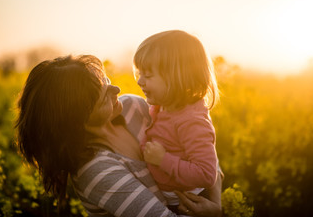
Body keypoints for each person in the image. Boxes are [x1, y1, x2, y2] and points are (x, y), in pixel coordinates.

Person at [16, 55, 222, 216]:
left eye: (106, 80)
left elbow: (202, 152)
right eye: (104, 95)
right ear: (78, 118)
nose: (117, 89)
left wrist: (216, 204)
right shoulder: (96, 171)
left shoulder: (134, 107)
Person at [133, 30, 219, 209]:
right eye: (139, 74)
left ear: (177, 78)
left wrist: (163, 159)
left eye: (148, 76)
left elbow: (207, 175)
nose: (140, 81)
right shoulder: (160, 107)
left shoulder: (191, 121)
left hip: (188, 204)